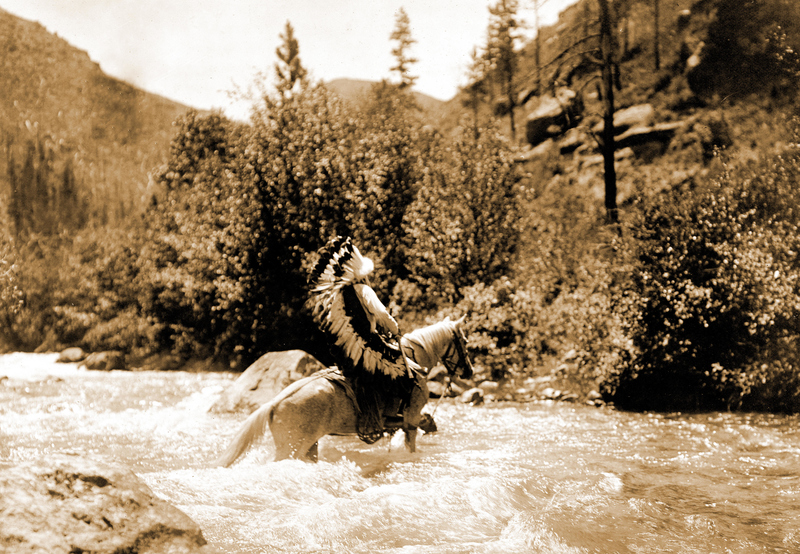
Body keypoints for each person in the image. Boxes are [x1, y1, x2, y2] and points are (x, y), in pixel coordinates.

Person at [307, 236, 417, 442]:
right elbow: (382, 315)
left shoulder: (337, 296)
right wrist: (395, 330)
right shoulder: (364, 290)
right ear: (363, 276)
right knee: (403, 370)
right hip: (366, 348)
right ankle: (386, 418)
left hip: (347, 352)